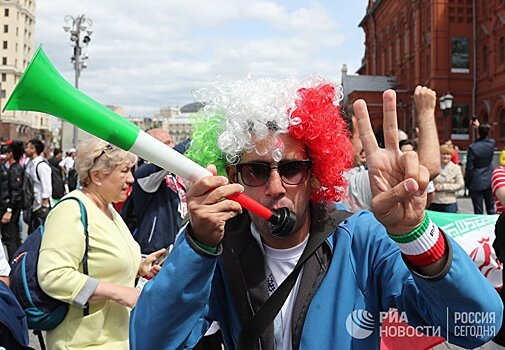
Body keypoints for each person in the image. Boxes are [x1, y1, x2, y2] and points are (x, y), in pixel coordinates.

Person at [130, 77, 502, 349]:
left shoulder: (360, 239)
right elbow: (149, 343)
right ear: (233, 178)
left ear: (315, 173)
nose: (275, 187)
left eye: (292, 169)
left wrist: (416, 233)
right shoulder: (214, 246)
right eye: (257, 171)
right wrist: (196, 247)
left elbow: (478, 325)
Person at [37, 139, 165, 349]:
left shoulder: (109, 209)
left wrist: (138, 268)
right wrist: (120, 293)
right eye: (124, 171)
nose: (131, 178)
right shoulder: (71, 210)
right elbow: (53, 275)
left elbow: (99, 263)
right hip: (83, 343)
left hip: (115, 339)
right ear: (96, 176)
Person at [125, 128, 187, 254]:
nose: (172, 147)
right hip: (154, 252)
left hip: (176, 248)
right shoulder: (144, 174)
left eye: (171, 142)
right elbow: (169, 159)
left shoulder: (172, 173)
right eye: (165, 144)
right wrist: (196, 140)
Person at [0, 141, 25, 260]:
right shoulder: (12, 167)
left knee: (10, 239)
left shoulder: (15, 169)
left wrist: (9, 210)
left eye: (7, 152)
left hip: (10, 210)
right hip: (9, 208)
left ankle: (14, 266)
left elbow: (16, 191)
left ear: (11, 154)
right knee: (12, 237)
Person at [465, 122, 496, 214]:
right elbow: (486, 138)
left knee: (478, 210)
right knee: (491, 207)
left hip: (476, 180)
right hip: (489, 179)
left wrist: (467, 182)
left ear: (478, 133)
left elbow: (470, 167)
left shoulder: (473, 147)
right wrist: (480, 128)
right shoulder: (492, 144)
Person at [25, 138, 52, 232]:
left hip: (41, 207)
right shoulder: (30, 164)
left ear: (33, 149)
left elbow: (47, 186)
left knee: (39, 235)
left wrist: (44, 206)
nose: (25, 150)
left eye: (27, 147)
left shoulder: (41, 166)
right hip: (34, 205)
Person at [428, 144, 464, 213]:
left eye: (448, 154)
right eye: (443, 154)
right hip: (434, 201)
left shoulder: (456, 168)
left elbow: (460, 184)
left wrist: (443, 187)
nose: (445, 156)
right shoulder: (433, 167)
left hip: (449, 201)